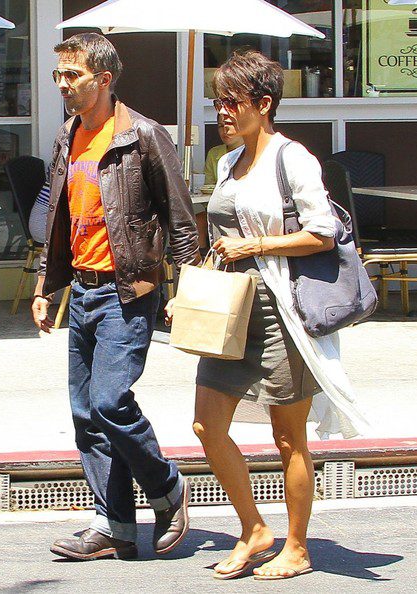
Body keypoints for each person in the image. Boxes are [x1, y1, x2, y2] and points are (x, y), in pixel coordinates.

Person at [167, 50, 367, 581]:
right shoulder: (227, 163)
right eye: (218, 102)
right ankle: (254, 528)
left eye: (232, 102)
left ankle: (297, 547)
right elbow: (221, 242)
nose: (222, 112)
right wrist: (190, 292)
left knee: (287, 438)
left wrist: (254, 246)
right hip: (231, 314)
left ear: (264, 104)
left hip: (281, 314)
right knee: (207, 426)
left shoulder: (292, 158)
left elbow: (321, 234)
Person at [31, 33, 200, 561]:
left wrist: (187, 288)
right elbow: (59, 217)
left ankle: (167, 486)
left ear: (103, 79)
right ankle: (114, 526)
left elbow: (181, 218)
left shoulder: (143, 136)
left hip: (127, 292)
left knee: (109, 402)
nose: (63, 84)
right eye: (59, 75)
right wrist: (45, 285)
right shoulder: (68, 135)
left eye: (73, 75)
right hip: (82, 290)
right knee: (86, 413)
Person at [204, 113, 243, 186]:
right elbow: (209, 186)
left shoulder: (254, 151)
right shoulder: (214, 153)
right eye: (221, 126)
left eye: (230, 124)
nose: (225, 130)